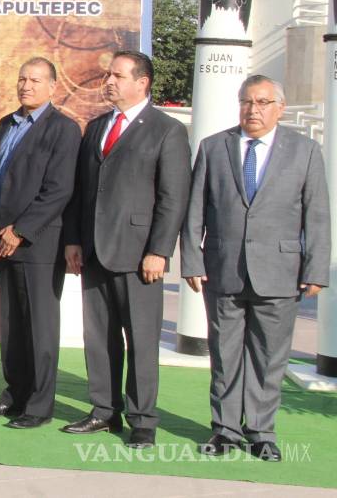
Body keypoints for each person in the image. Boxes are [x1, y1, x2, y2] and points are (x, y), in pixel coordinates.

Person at [181, 75, 329, 462]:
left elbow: (316, 214)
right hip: (222, 268)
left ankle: (262, 432)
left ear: (279, 108)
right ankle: (225, 430)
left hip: (279, 272)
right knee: (225, 356)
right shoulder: (215, 147)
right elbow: (195, 209)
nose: (253, 110)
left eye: (263, 102)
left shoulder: (305, 151)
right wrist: (192, 260)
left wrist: (315, 269)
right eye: (247, 102)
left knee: (268, 357)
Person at [62, 50, 190, 448]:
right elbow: (82, 190)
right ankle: (104, 410)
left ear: (142, 82)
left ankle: (142, 419)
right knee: (98, 336)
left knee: (142, 338)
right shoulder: (97, 126)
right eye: (109, 75)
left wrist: (160, 250)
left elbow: (173, 198)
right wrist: (74, 239)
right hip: (95, 250)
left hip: (139, 256)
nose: (110, 81)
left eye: (118, 75)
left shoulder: (167, 130)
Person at [0, 57, 81, 429]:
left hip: (38, 244)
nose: (26, 86)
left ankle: (38, 405)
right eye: (22, 79)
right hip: (1, 242)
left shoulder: (63, 130)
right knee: (11, 324)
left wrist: (20, 230)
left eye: (35, 80)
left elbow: (59, 189)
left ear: (52, 87)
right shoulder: (7, 123)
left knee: (39, 326)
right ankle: (14, 394)